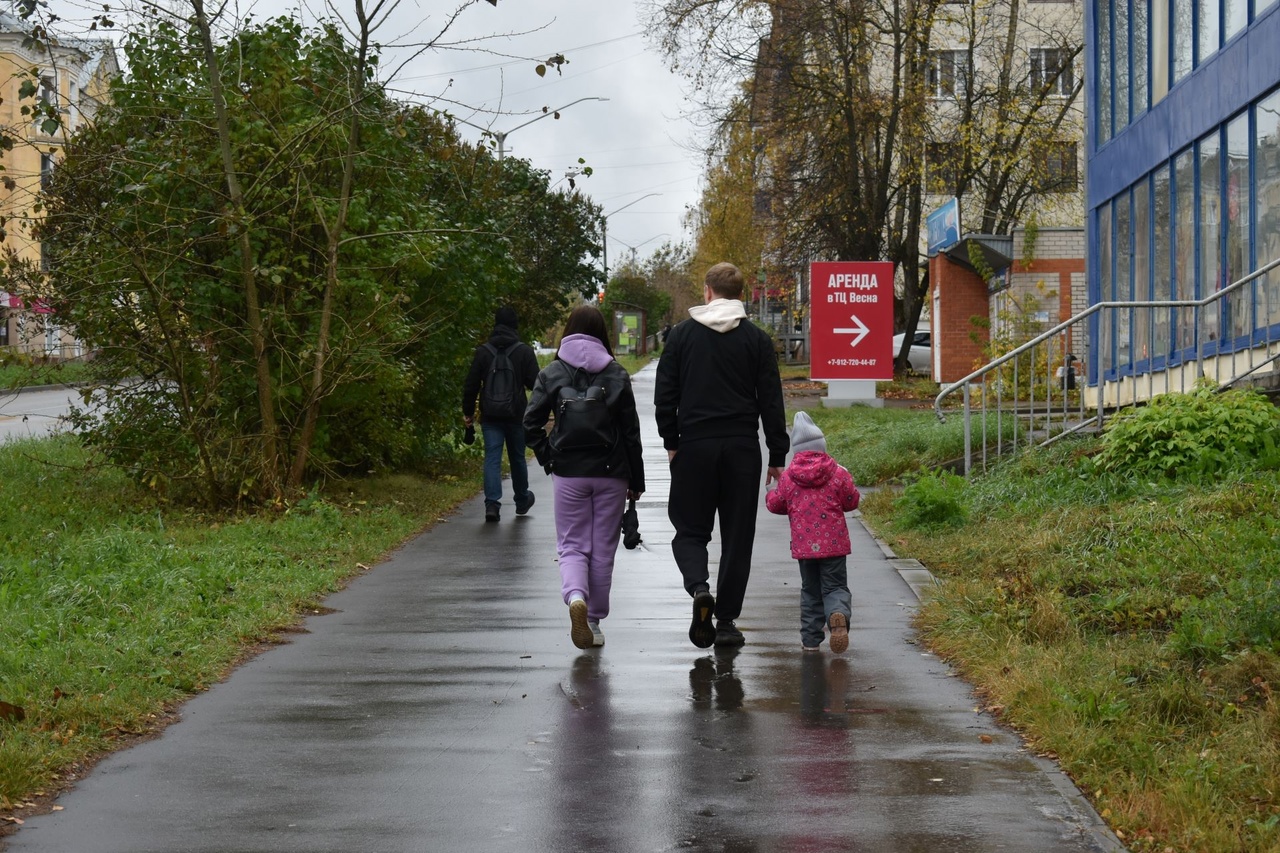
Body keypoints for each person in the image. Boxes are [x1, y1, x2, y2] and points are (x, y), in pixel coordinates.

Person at [654, 261, 789, 649]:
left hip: (694, 446)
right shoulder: (757, 341)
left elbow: (666, 395)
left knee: (690, 530)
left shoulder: (681, 337)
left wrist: (671, 441)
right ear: (741, 295)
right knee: (737, 535)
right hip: (742, 450)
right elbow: (771, 401)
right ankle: (726, 622)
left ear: (708, 291)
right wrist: (777, 453)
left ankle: (699, 589)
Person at [525, 306, 645, 650]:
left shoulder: (551, 373)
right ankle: (594, 620)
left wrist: (551, 459)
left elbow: (530, 424)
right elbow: (631, 433)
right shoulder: (617, 374)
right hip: (611, 474)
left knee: (572, 544)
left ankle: (576, 596)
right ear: (602, 334)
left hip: (569, 474)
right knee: (603, 548)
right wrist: (636, 482)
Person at [765, 411, 860, 653]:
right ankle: (837, 613)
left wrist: (771, 490)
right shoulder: (837, 472)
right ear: (822, 446)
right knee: (835, 587)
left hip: (805, 548)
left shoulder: (788, 477)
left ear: (796, 450)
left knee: (810, 591)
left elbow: (775, 505)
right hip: (834, 545)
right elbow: (851, 501)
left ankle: (810, 640)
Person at [462, 306, 539, 523]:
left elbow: (471, 385)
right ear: (515, 325)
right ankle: (522, 499)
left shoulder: (483, 352)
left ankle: (492, 505)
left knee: (492, 459)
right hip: (516, 415)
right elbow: (536, 384)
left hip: (491, 416)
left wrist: (468, 413)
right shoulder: (523, 351)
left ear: (496, 324)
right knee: (517, 457)